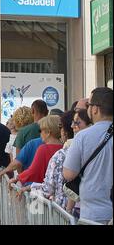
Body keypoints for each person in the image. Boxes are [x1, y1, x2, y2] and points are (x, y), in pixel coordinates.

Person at [64, 88, 113, 224]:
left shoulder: (83, 136)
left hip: (93, 214)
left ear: (96, 109)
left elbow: (68, 174)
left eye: (89, 105)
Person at [28, 111, 74, 210]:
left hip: (60, 206)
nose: (40, 134)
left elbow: (47, 186)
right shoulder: (69, 149)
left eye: (41, 131)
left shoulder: (58, 153)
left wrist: (26, 184)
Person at [9, 115, 63, 186]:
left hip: (43, 189)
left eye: (40, 131)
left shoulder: (43, 149)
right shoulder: (65, 147)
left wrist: (17, 178)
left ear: (48, 132)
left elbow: (33, 171)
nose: (39, 133)